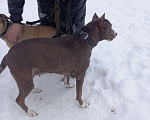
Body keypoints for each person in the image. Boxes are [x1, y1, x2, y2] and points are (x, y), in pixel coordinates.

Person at [7, 0, 87, 42]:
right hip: (47, 3)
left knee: (74, 38)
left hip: (74, 3)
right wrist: (15, 20)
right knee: (48, 38)